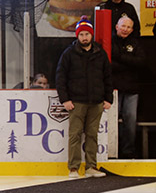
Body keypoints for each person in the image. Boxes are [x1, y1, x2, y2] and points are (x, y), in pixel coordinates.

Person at [55, 17, 112, 178]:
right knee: (75, 134)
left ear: (91, 35)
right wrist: (65, 99)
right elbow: (60, 77)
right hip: (76, 102)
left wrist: (108, 98)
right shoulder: (69, 54)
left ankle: (91, 167)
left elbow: (107, 77)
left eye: (87, 34)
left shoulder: (100, 53)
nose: (84, 37)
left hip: (96, 102)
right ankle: (73, 168)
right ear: (77, 36)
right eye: (82, 34)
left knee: (92, 135)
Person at [111, 15, 146, 158]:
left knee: (130, 122)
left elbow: (141, 63)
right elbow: (109, 64)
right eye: (123, 26)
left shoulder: (136, 44)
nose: (125, 29)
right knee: (112, 122)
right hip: (113, 90)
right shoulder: (110, 42)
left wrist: (120, 57)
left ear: (132, 30)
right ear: (116, 27)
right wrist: (129, 62)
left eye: (128, 27)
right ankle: (112, 152)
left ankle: (128, 152)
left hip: (132, 90)